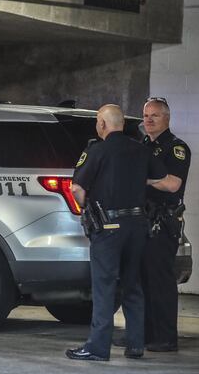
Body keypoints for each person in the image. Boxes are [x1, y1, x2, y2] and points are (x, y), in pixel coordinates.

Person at [65, 104, 168, 362]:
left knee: (104, 287)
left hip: (108, 227)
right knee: (132, 285)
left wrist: (85, 210)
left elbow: (77, 188)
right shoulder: (141, 149)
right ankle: (135, 344)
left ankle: (98, 348)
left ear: (102, 124)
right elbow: (160, 177)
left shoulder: (97, 150)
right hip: (137, 225)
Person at [140, 97, 190, 352]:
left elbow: (172, 184)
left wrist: (143, 180)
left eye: (155, 115)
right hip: (141, 222)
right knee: (141, 281)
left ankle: (166, 338)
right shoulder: (140, 145)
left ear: (167, 118)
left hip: (163, 222)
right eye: (146, 115)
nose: (148, 120)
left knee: (160, 282)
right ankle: (145, 335)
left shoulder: (176, 147)